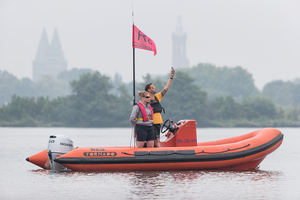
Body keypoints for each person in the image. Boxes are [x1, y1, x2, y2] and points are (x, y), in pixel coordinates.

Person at [145, 68, 175, 147]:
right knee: (156, 139)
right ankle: (161, 154)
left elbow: (166, 88)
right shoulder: (145, 100)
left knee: (156, 139)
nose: (154, 88)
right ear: (148, 90)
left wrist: (171, 77)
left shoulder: (157, 97)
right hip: (150, 122)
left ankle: (156, 152)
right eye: (152, 87)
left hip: (158, 122)